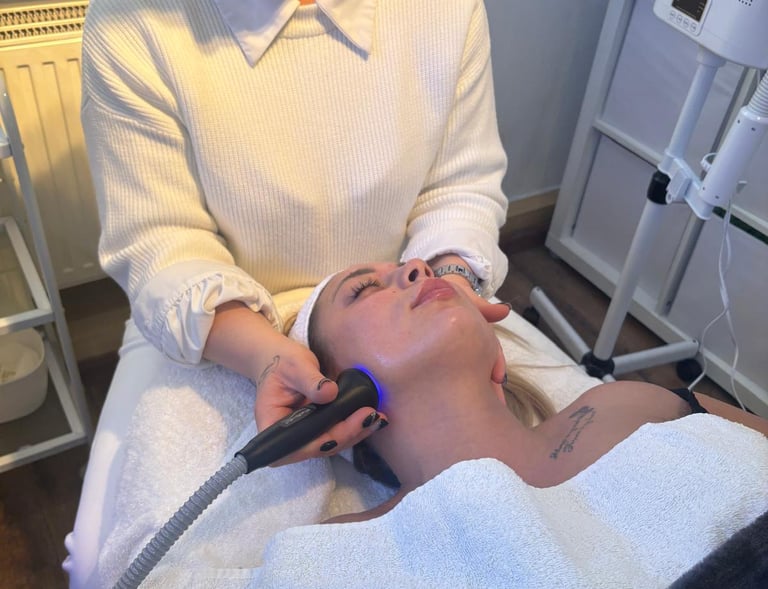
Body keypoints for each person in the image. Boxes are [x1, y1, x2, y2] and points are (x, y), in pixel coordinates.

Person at [65, 0, 514, 586]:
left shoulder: (446, 11)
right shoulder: (131, 23)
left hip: (405, 289)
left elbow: (461, 188)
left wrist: (448, 287)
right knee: (94, 564)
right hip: (207, 315)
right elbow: (161, 243)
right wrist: (264, 356)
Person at [290, 258, 768, 523]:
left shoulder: (633, 401)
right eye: (364, 289)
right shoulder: (339, 556)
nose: (418, 267)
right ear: (332, 394)